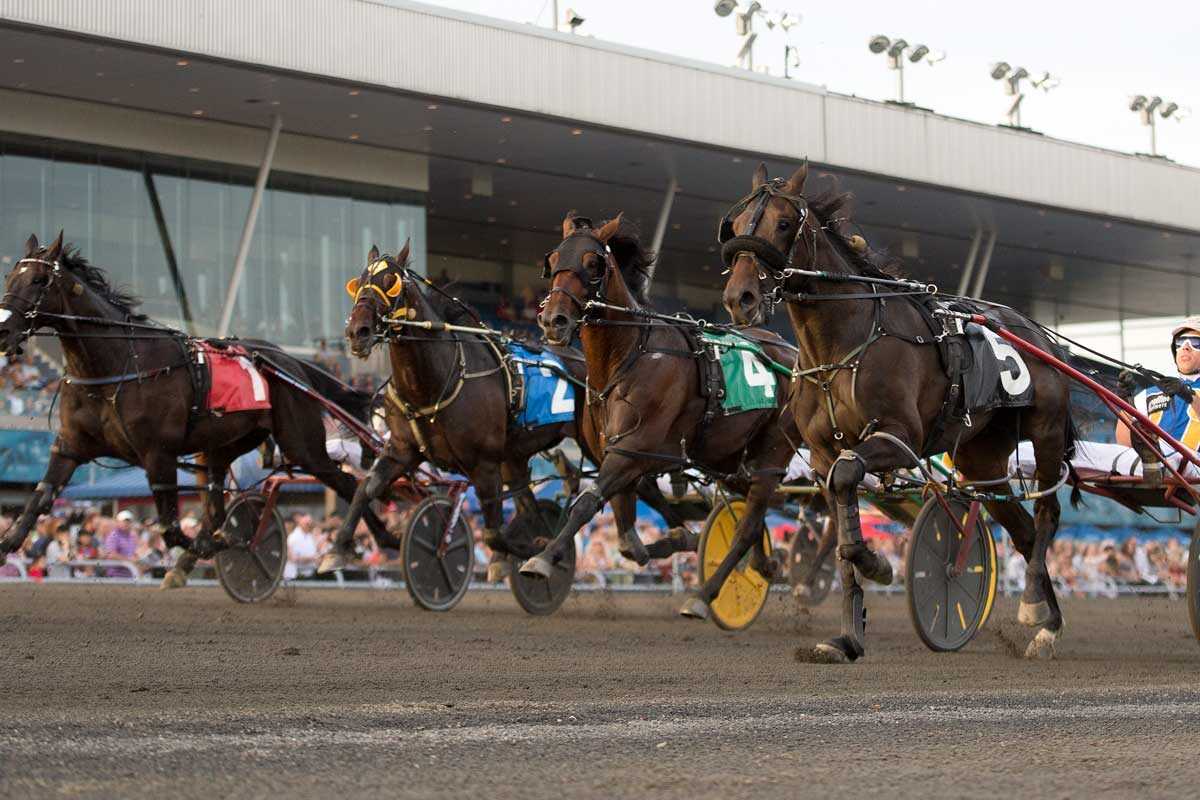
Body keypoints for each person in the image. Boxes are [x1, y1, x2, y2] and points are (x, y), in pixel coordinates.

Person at [1117, 317, 1200, 461]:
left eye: (1195, 342)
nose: (1185, 347)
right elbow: (1124, 447)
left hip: (1191, 465)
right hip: (1155, 464)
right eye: (1180, 342)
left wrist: (1190, 396)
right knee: (1079, 451)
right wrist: (1126, 403)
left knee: (1162, 449)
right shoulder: (1147, 395)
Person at [284, 513, 323, 580]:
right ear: (300, 524)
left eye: (310, 524)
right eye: (307, 524)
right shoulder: (292, 538)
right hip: (295, 575)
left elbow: (315, 554)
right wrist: (312, 559)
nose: (309, 526)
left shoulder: (310, 537)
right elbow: (291, 558)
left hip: (310, 573)